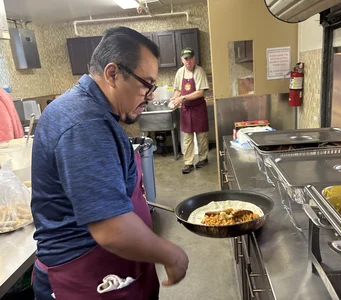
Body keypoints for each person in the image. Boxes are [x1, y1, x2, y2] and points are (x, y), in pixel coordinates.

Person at [31, 27, 189, 300]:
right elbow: (111, 229)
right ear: (113, 73)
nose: (151, 95)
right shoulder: (86, 123)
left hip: (107, 268)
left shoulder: (84, 108)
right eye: (146, 83)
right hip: (86, 276)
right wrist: (172, 255)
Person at [170, 48, 210, 174]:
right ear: (182, 60)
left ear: (194, 59)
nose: (188, 61)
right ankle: (188, 163)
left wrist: (182, 98)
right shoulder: (180, 72)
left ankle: (203, 158)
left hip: (198, 108)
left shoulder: (199, 71)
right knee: (187, 137)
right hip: (186, 110)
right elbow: (178, 89)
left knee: (201, 135)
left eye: (190, 58)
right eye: (186, 59)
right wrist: (175, 99)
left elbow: (200, 92)